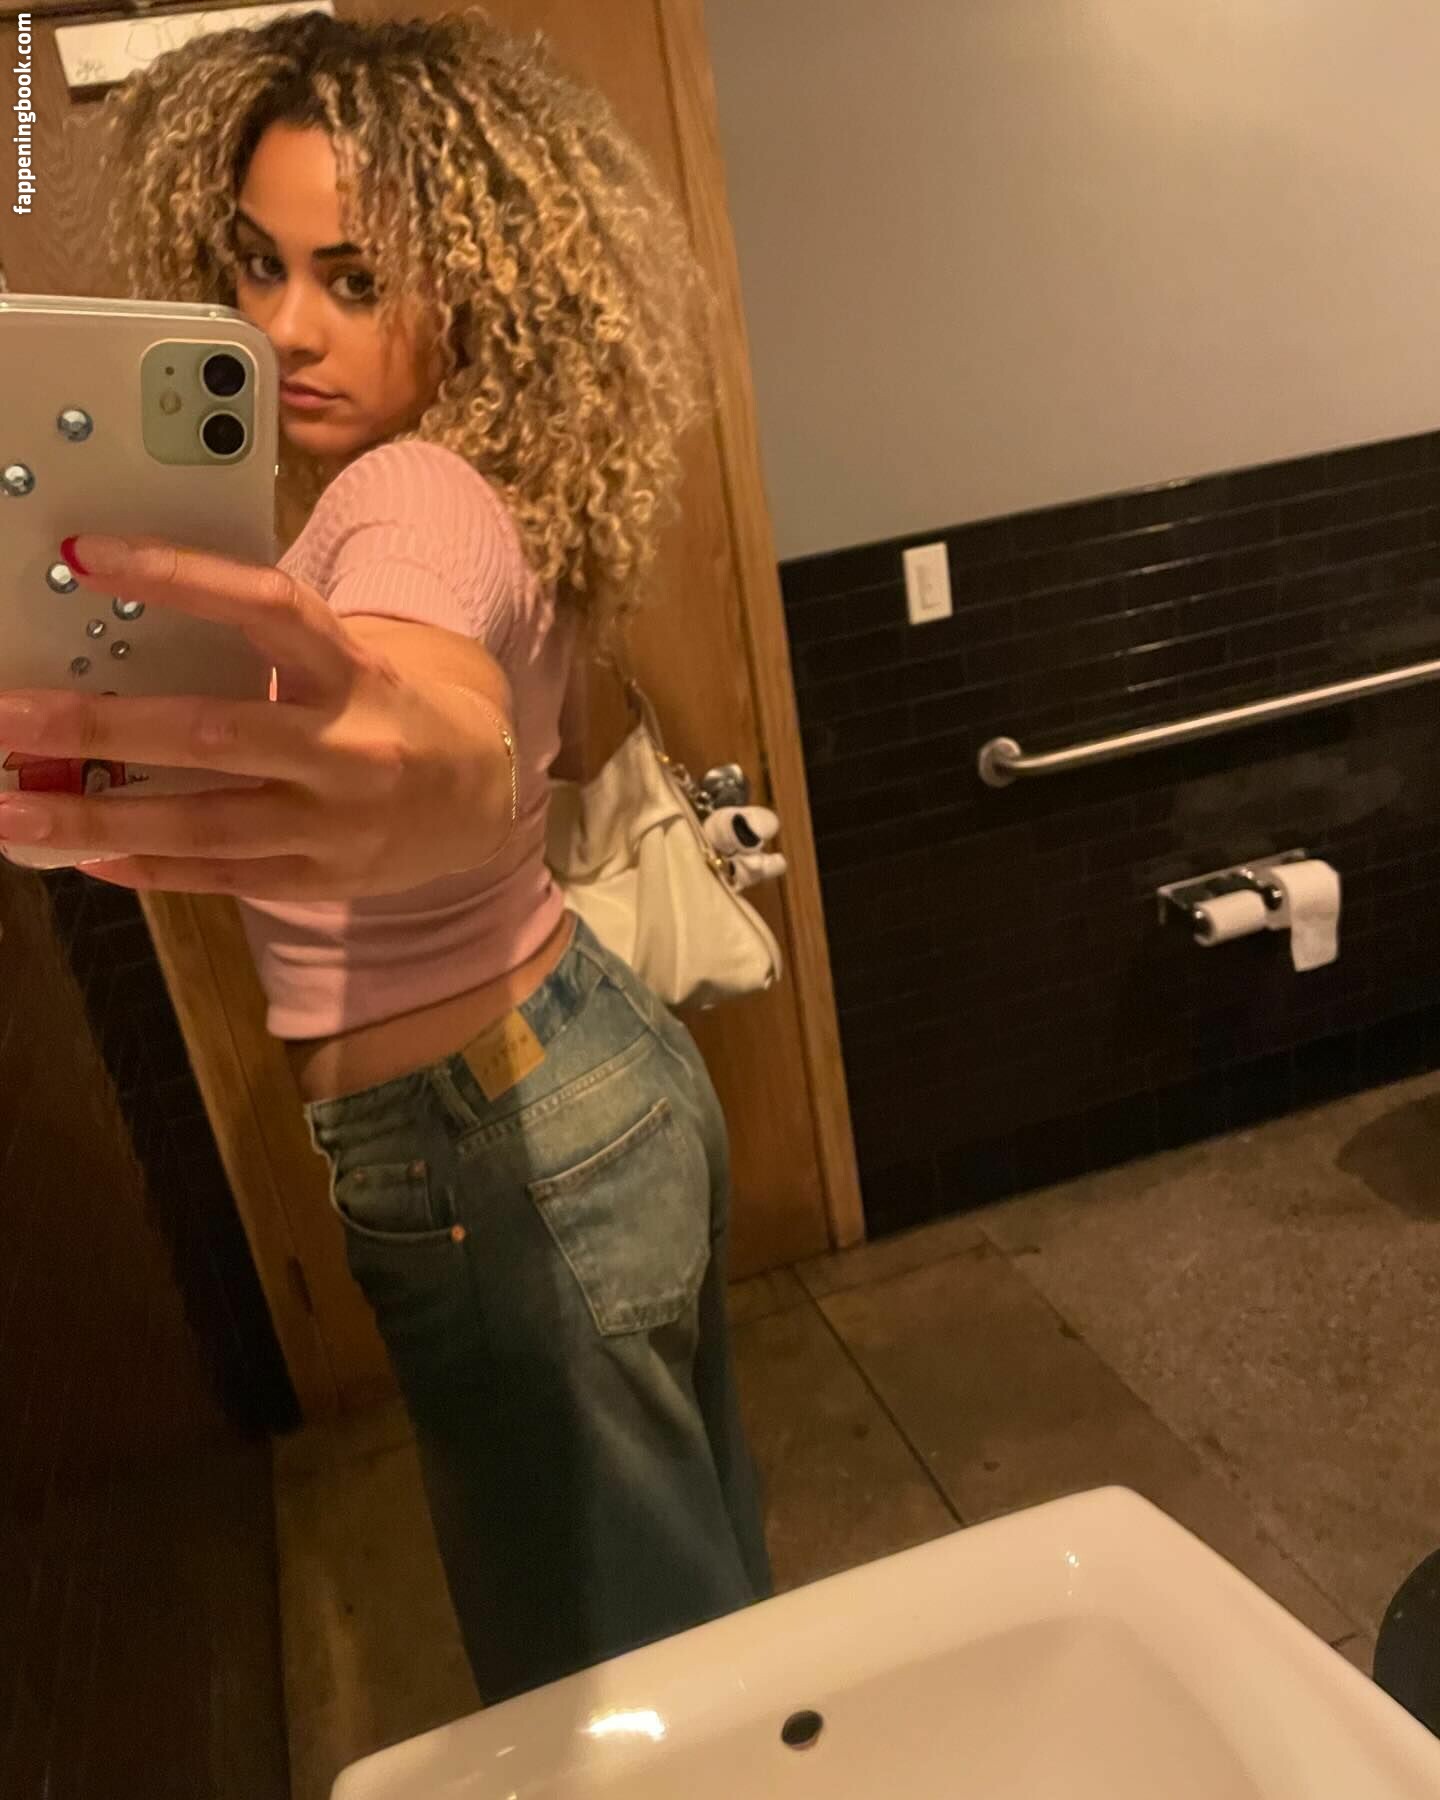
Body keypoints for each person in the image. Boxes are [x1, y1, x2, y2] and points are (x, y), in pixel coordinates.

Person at [0, 8, 772, 1701]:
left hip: (496, 1153)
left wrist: (440, 777)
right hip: (579, 1082)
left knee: (622, 1706)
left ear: (481, 289)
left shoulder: (415, 494)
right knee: (702, 1618)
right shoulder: (462, 477)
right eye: (259, 266)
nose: (287, 327)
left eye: (356, 279)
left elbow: (438, 696)